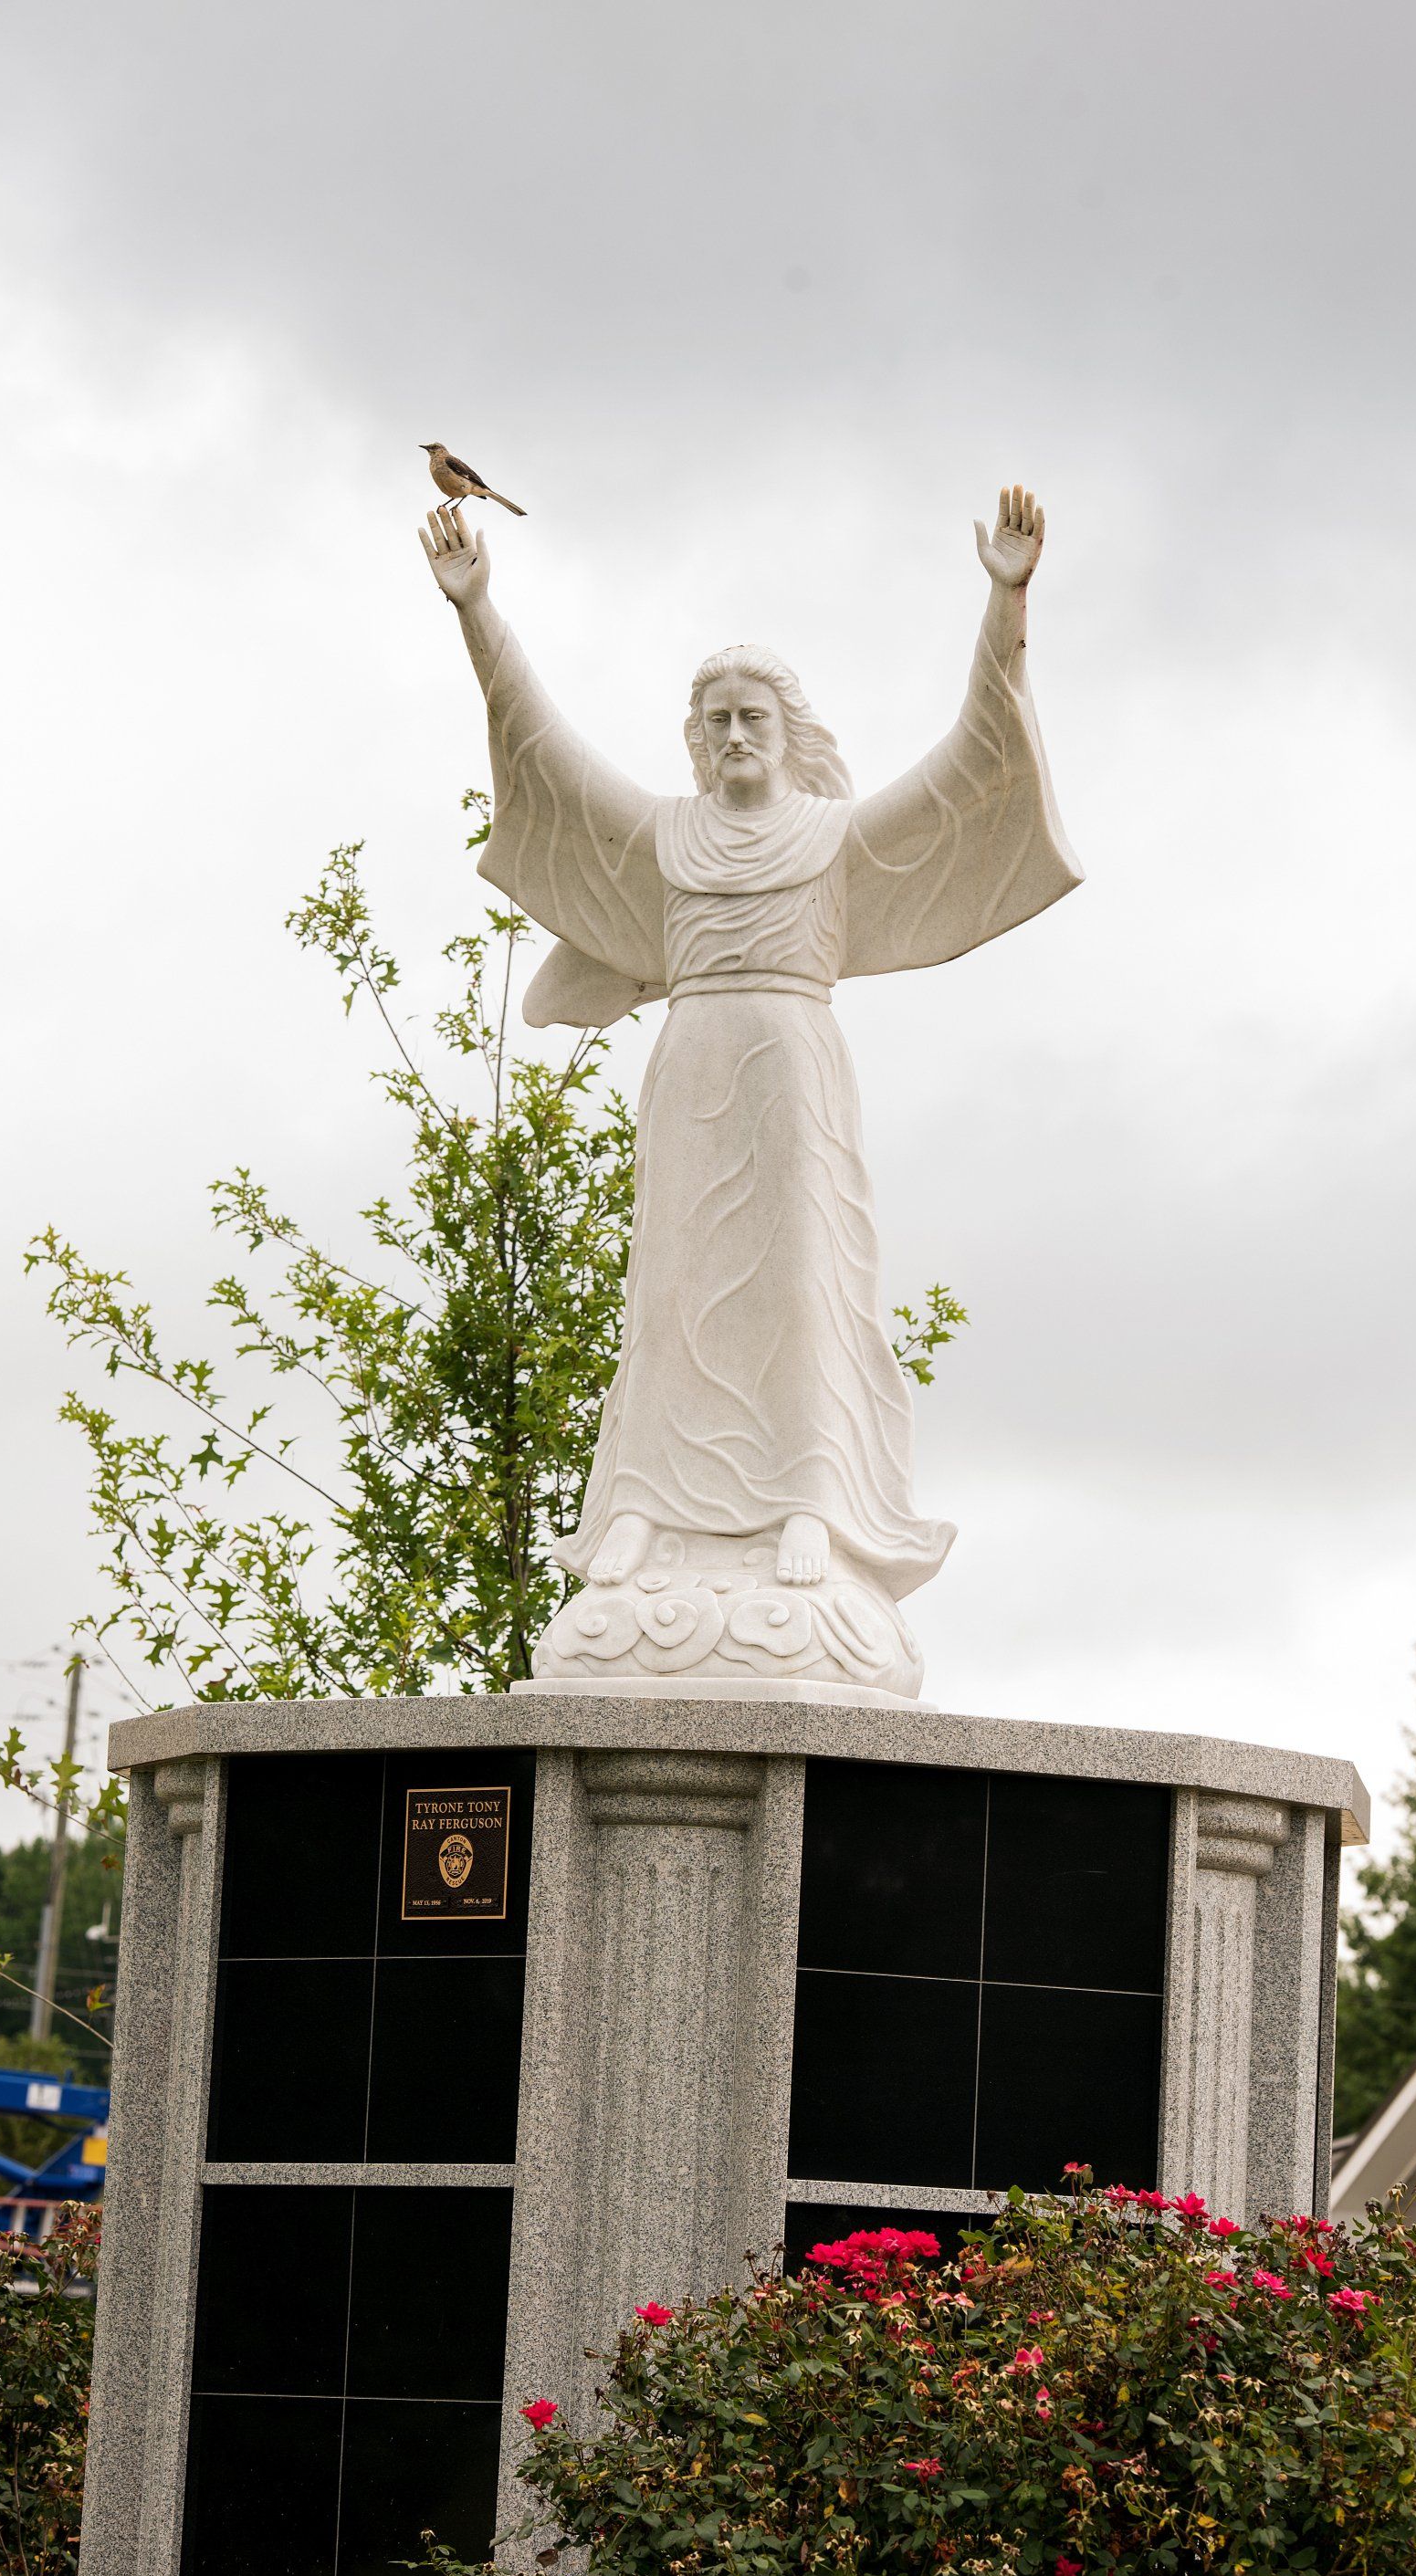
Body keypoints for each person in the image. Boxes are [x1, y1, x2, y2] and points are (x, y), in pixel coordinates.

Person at [420, 487, 1079, 1695]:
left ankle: (810, 1506)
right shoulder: (665, 836)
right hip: (695, 1073)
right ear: (695, 736)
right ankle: (645, 1513)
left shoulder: (831, 837)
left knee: (796, 1287)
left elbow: (975, 752)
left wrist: (1006, 597)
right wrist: (479, 613)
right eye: (715, 718)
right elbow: (539, 749)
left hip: (793, 1073)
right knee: (671, 1289)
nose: (733, 736)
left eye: (751, 717)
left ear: (787, 730)